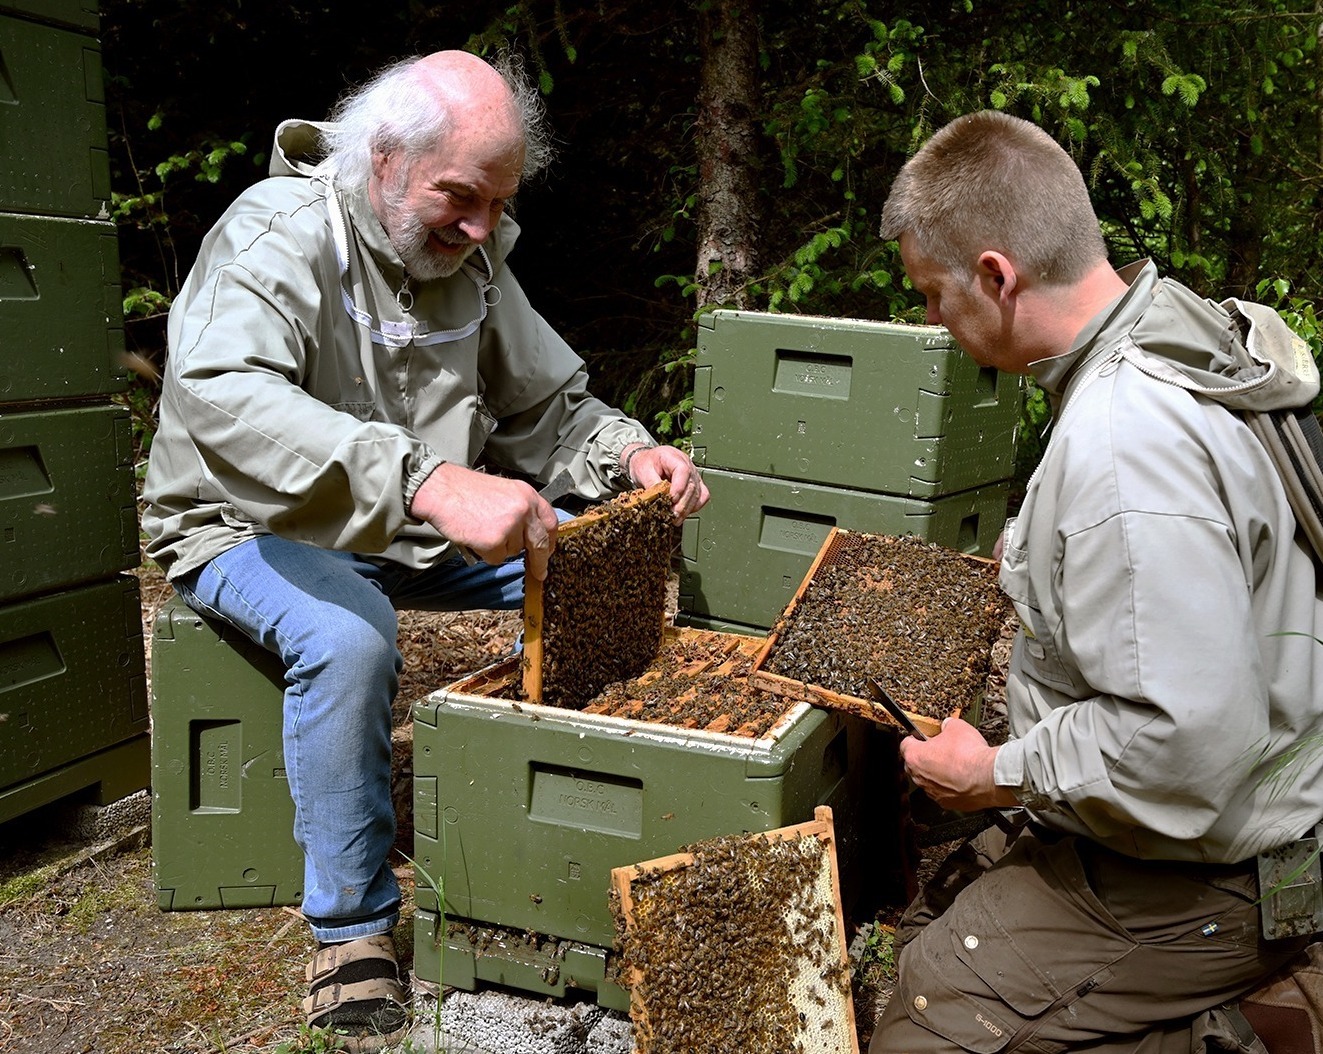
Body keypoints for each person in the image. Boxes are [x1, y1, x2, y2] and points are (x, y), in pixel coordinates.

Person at [142, 50, 707, 1051]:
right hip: (243, 521)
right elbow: (223, 397)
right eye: (463, 196)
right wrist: (429, 479)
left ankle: (586, 832)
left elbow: (550, 411)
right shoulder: (274, 234)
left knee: (591, 565)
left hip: (408, 522)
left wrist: (631, 456)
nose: (483, 226)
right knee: (348, 639)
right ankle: (351, 931)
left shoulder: (473, 259)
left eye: (499, 201)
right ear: (387, 158)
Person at [872, 109, 1323, 1053]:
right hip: (1253, 797)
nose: (929, 321)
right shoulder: (1178, 330)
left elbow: (1181, 744)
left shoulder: (1126, 444)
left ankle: (1255, 1026)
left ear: (995, 276)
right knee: (924, 941)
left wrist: (995, 771)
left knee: (924, 1028)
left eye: (931, 294)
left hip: (1226, 866)